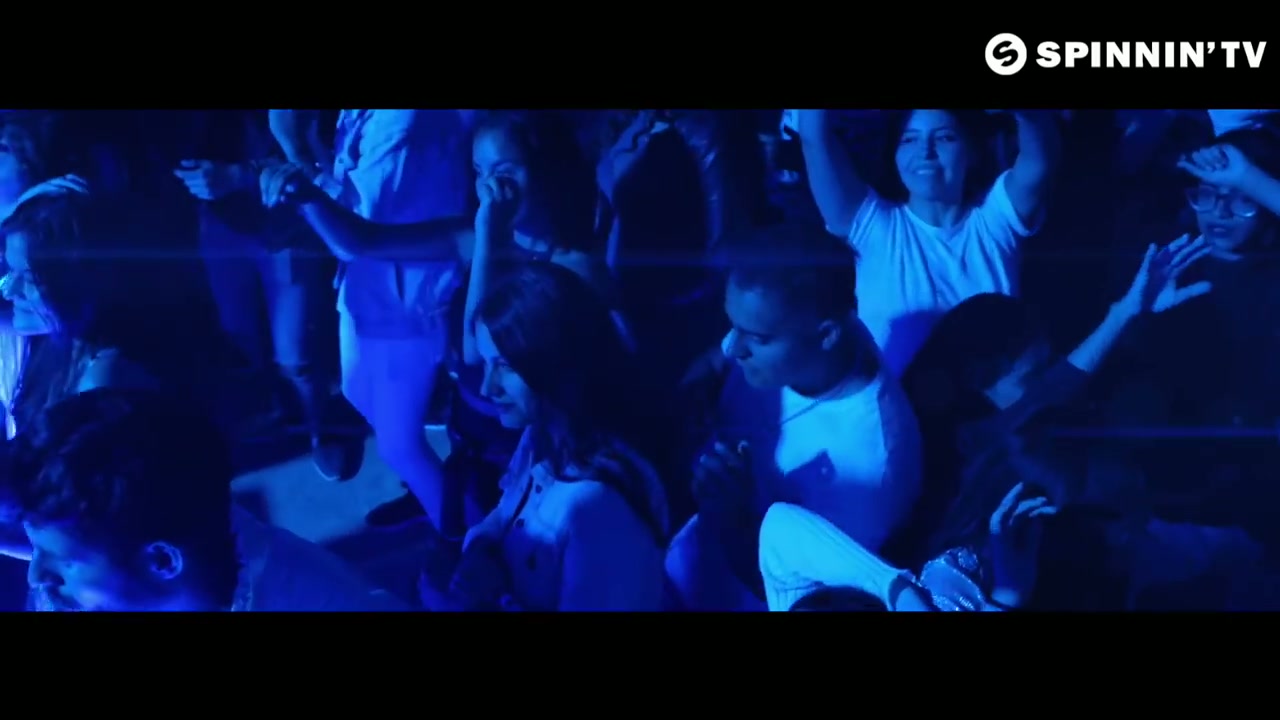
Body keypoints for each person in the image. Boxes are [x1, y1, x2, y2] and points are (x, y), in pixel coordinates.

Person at [895, 235, 1213, 566]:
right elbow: (1046, 394)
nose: (1054, 385)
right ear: (975, 386)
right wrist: (1121, 316)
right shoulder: (963, 457)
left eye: (1051, 366)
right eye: (1033, 377)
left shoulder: (1023, 428)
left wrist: (1125, 313)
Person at [665, 224, 922, 611]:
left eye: (757, 338)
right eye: (732, 325)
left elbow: (811, 598)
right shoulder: (790, 328)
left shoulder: (870, 467)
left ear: (827, 335)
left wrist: (730, 517)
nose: (733, 349)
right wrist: (697, 396)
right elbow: (718, 359)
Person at [261, 109, 473, 535]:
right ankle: (442, 495)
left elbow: (357, 232)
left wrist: (295, 149)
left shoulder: (405, 120)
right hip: (368, 289)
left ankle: (466, 546)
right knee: (359, 395)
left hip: (404, 302)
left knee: (400, 446)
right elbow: (349, 203)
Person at [5, 388, 407, 611]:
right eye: (37, 550)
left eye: (63, 563)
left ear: (163, 561)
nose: (35, 577)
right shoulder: (165, 516)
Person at [419, 263, 669, 611]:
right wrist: (480, 550)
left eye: (505, 366)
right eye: (487, 364)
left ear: (555, 362)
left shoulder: (598, 507)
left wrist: (496, 597)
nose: (488, 387)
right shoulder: (541, 434)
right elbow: (504, 514)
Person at [795, 109, 1060, 374]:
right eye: (909, 139)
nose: (925, 151)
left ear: (972, 152)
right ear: (894, 155)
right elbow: (814, 138)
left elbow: (1039, 160)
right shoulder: (873, 225)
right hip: (899, 401)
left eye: (944, 137)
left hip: (999, 399)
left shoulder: (995, 221)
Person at [174, 109, 363, 482]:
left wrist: (241, 174)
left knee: (296, 354)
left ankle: (319, 426)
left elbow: (322, 149)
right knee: (238, 341)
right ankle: (273, 414)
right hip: (219, 219)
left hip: (286, 216)